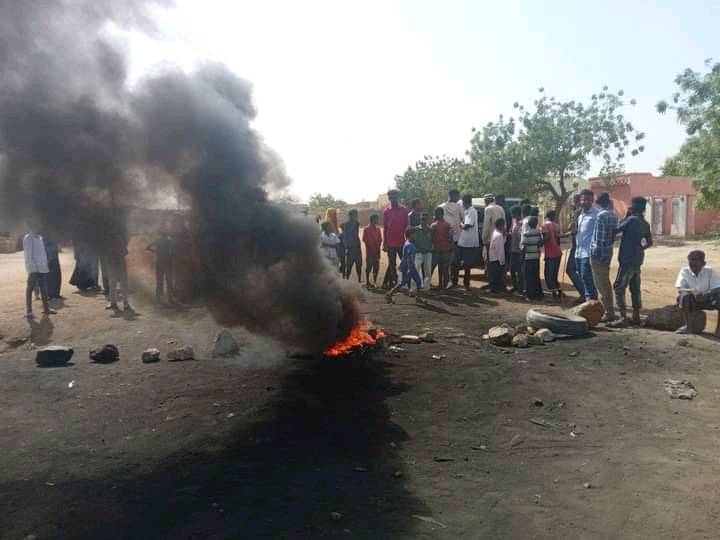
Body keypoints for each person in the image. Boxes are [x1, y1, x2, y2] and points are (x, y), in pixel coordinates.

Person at [611, 197, 653, 327]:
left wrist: (626, 216)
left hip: (627, 258)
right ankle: (636, 316)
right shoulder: (645, 223)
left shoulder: (631, 220)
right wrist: (640, 248)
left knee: (619, 286)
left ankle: (623, 318)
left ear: (632, 208)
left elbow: (616, 229)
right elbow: (650, 242)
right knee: (635, 288)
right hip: (638, 258)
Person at [675, 250, 720, 335]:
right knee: (684, 296)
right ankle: (688, 326)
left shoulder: (710, 271)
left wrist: (706, 294)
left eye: (696, 265)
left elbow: (717, 287)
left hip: (707, 299)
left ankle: (719, 330)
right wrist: (693, 292)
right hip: (692, 300)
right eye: (691, 265)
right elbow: (680, 288)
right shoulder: (684, 271)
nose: (693, 268)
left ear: (704, 263)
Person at [590, 192, 618, 321]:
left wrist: (596, 253)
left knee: (601, 284)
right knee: (604, 282)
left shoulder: (601, 215)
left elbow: (599, 238)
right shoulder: (613, 215)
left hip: (599, 254)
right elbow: (613, 235)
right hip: (607, 252)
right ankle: (607, 311)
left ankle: (608, 312)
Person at [23, 226, 56, 318]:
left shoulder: (40, 238)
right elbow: (28, 254)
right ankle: (29, 312)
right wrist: (32, 268)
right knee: (30, 288)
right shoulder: (28, 238)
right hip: (34, 268)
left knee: (44, 288)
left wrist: (45, 265)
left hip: (42, 267)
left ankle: (46, 309)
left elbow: (42, 253)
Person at [101, 215, 132, 312]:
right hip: (115, 263)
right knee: (116, 283)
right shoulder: (113, 238)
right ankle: (119, 303)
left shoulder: (116, 238)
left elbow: (124, 251)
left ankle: (122, 303)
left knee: (118, 283)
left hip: (117, 263)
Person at [386, 227, 423, 302]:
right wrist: (409, 268)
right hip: (408, 267)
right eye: (415, 234)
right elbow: (409, 257)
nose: (416, 236)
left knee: (417, 281)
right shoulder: (410, 245)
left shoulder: (408, 243)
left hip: (409, 266)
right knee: (402, 283)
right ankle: (389, 294)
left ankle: (418, 298)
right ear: (411, 235)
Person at [575, 189, 599, 302]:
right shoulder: (580, 215)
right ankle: (589, 300)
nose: (584, 202)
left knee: (586, 276)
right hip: (578, 252)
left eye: (587, 200)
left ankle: (592, 301)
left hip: (588, 252)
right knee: (582, 277)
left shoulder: (597, 215)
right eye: (583, 199)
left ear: (592, 201)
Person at [381, 189, 408, 289]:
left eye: (394, 196)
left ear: (398, 197)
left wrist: (408, 241)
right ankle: (393, 282)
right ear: (389, 198)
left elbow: (407, 227)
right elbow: (385, 228)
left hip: (402, 242)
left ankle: (403, 282)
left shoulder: (404, 210)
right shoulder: (386, 211)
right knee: (392, 264)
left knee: (404, 263)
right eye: (391, 196)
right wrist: (385, 243)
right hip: (390, 242)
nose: (392, 198)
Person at [146, 222, 176, 303]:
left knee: (160, 281)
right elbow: (173, 250)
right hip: (168, 262)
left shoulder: (158, 241)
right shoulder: (169, 241)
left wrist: (155, 251)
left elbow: (147, 247)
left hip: (160, 262)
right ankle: (170, 298)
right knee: (168, 281)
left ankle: (159, 298)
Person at [455, 194, 479, 291]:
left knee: (466, 264)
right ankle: (461, 283)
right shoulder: (468, 211)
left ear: (465, 202)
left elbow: (467, 226)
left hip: (468, 242)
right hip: (465, 241)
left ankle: (466, 284)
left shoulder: (471, 211)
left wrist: (460, 222)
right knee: (463, 263)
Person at [441, 189, 463, 289]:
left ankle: (444, 281)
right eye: (458, 196)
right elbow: (464, 219)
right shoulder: (459, 207)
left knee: (445, 261)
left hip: (443, 239)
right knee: (455, 261)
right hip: (456, 238)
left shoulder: (441, 207)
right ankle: (454, 281)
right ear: (455, 196)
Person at [565, 194, 586, 299]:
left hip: (577, 246)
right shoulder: (583, 212)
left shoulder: (578, 212)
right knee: (581, 271)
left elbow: (573, 228)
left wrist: (571, 231)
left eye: (573, 201)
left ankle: (584, 294)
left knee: (570, 269)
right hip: (582, 245)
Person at [521, 216, 544, 301]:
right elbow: (541, 244)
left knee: (528, 277)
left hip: (528, 258)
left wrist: (522, 256)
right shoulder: (538, 233)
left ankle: (530, 295)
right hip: (536, 257)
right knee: (535, 275)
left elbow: (524, 246)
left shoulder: (526, 233)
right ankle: (538, 294)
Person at [542, 210, 563, 298]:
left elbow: (546, 237)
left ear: (546, 216)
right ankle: (558, 291)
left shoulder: (545, 225)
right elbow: (558, 240)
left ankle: (555, 292)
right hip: (557, 252)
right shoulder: (557, 226)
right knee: (554, 274)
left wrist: (539, 242)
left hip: (550, 253)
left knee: (548, 274)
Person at [431, 206, 452, 290]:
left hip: (437, 249)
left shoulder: (433, 225)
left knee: (435, 266)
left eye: (436, 214)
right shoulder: (447, 225)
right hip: (444, 249)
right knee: (444, 268)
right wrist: (451, 248)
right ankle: (443, 285)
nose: (436, 215)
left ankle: (440, 284)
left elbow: (432, 238)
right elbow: (450, 238)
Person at [482, 194, 506, 262]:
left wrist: (484, 239)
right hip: (501, 238)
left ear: (486, 200)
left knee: (490, 260)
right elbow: (504, 224)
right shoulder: (501, 208)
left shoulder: (488, 209)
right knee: (499, 258)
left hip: (490, 239)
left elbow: (486, 226)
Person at [413, 212, 433, 291]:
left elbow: (433, 241)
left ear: (428, 220)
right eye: (422, 219)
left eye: (425, 219)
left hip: (428, 253)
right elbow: (412, 241)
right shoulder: (416, 229)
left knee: (428, 272)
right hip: (418, 253)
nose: (424, 221)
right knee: (416, 270)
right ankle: (414, 288)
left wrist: (431, 248)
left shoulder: (431, 230)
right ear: (420, 220)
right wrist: (416, 249)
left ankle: (426, 288)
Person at [341, 209, 362, 282]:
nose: (356, 216)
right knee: (349, 265)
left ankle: (359, 280)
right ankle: (347, 280)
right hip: (350, 248)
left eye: (356, 215)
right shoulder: (345, 225)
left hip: (356, 247)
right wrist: (346, 246)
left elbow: (355, 235)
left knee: (358, 264)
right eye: (355, 215)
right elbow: (345, 236)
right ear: (351, 216)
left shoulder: (356, 223)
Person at [362, 214, 383, 287]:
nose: (377, 220)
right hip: (370, 251)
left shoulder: (378, 229)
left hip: (377, 251)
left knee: (376, 267)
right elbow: (364, 240)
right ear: (372, 220)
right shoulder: (366, 229)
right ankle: (367, 281)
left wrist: (378, 247)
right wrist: (371, 247)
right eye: (376, 219)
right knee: (369, 267)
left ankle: (374, 282)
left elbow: (380, 240)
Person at [487, 218, 507, 293]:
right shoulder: (498, 235)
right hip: (497, 259)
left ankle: (494, 289)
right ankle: (495, 290)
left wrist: (504, 235)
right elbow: (500, 250)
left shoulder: (495, 233)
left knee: (494, 275)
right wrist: (502, 261)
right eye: (503, 225)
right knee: (496, 275)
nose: (504, 227)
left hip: (493, 257)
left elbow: (502, 243)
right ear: (500, 225)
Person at [509, 206, 524, 295]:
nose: (512, 216)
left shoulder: (522, 224)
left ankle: (520, 289)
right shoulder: (514, 223)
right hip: (513, 250)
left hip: (518, 251)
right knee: (512, 270)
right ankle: (515, 287)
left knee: (519, 271)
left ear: (517, 214)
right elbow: (512, 232)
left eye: (513, 214)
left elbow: (521, 238)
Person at [44, 234, 63, 300]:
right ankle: (50, 294)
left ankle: (55, 293)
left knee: (56, 275)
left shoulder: (52, 235)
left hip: (53, 258)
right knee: (50, 276)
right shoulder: (45, 236)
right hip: (48, 258)